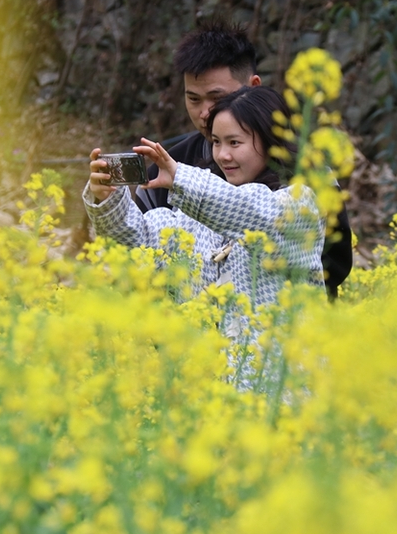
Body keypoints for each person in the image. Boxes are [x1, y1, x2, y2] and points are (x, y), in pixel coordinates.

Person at [134, 20, 353, 298]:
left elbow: (334, 264)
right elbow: (140, 253)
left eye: (217, 97)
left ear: (253, 87)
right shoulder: (171, 165)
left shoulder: (304, 169)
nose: (205, 113)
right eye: (193, 99)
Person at [84, 86, 325, 323]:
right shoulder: (196, 214)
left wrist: (181, 178)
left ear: (271, 142)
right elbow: (142, 245)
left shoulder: (299, 205)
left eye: (234, 143)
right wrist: (109, 199)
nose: (222, 155)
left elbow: (249, 211)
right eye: (216, 142)